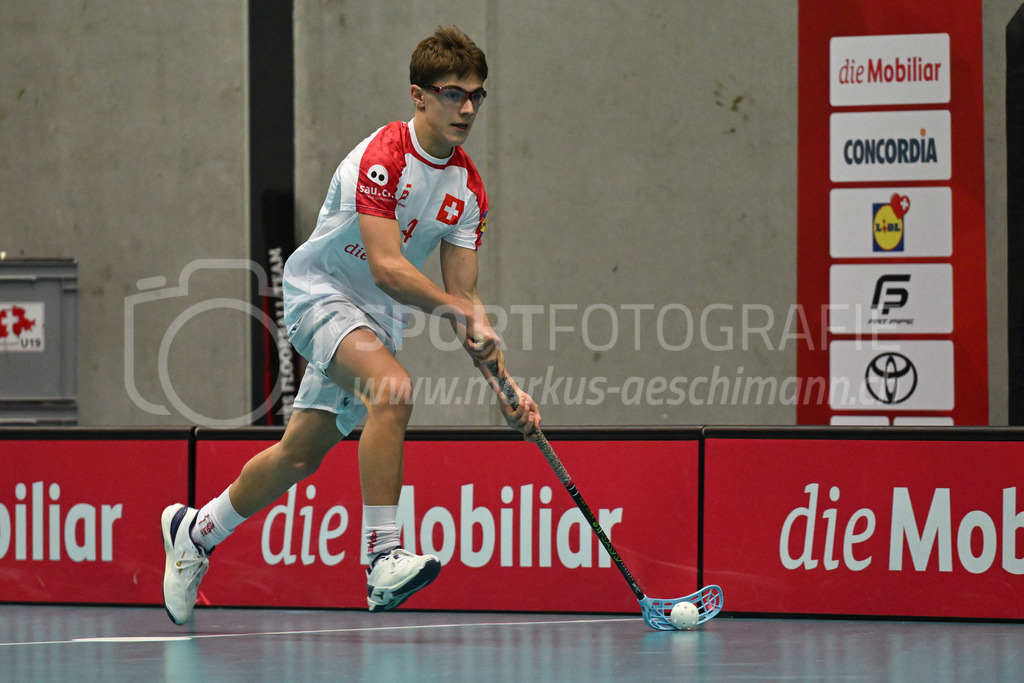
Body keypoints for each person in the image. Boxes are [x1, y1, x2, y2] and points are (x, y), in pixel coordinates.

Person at [160, 25, 541, 625]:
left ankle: (195, 531)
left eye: (476, 95)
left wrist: (506, 388)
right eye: (452, 93)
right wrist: (456, 310)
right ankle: (381, 558)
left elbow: (465, 298)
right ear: (419, 95)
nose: (467, 108)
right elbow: (388, 267)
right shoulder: (383, 157)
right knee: (393, 390)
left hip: (377, 322)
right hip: (321, 294)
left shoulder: (468, 191)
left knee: (298, 456)